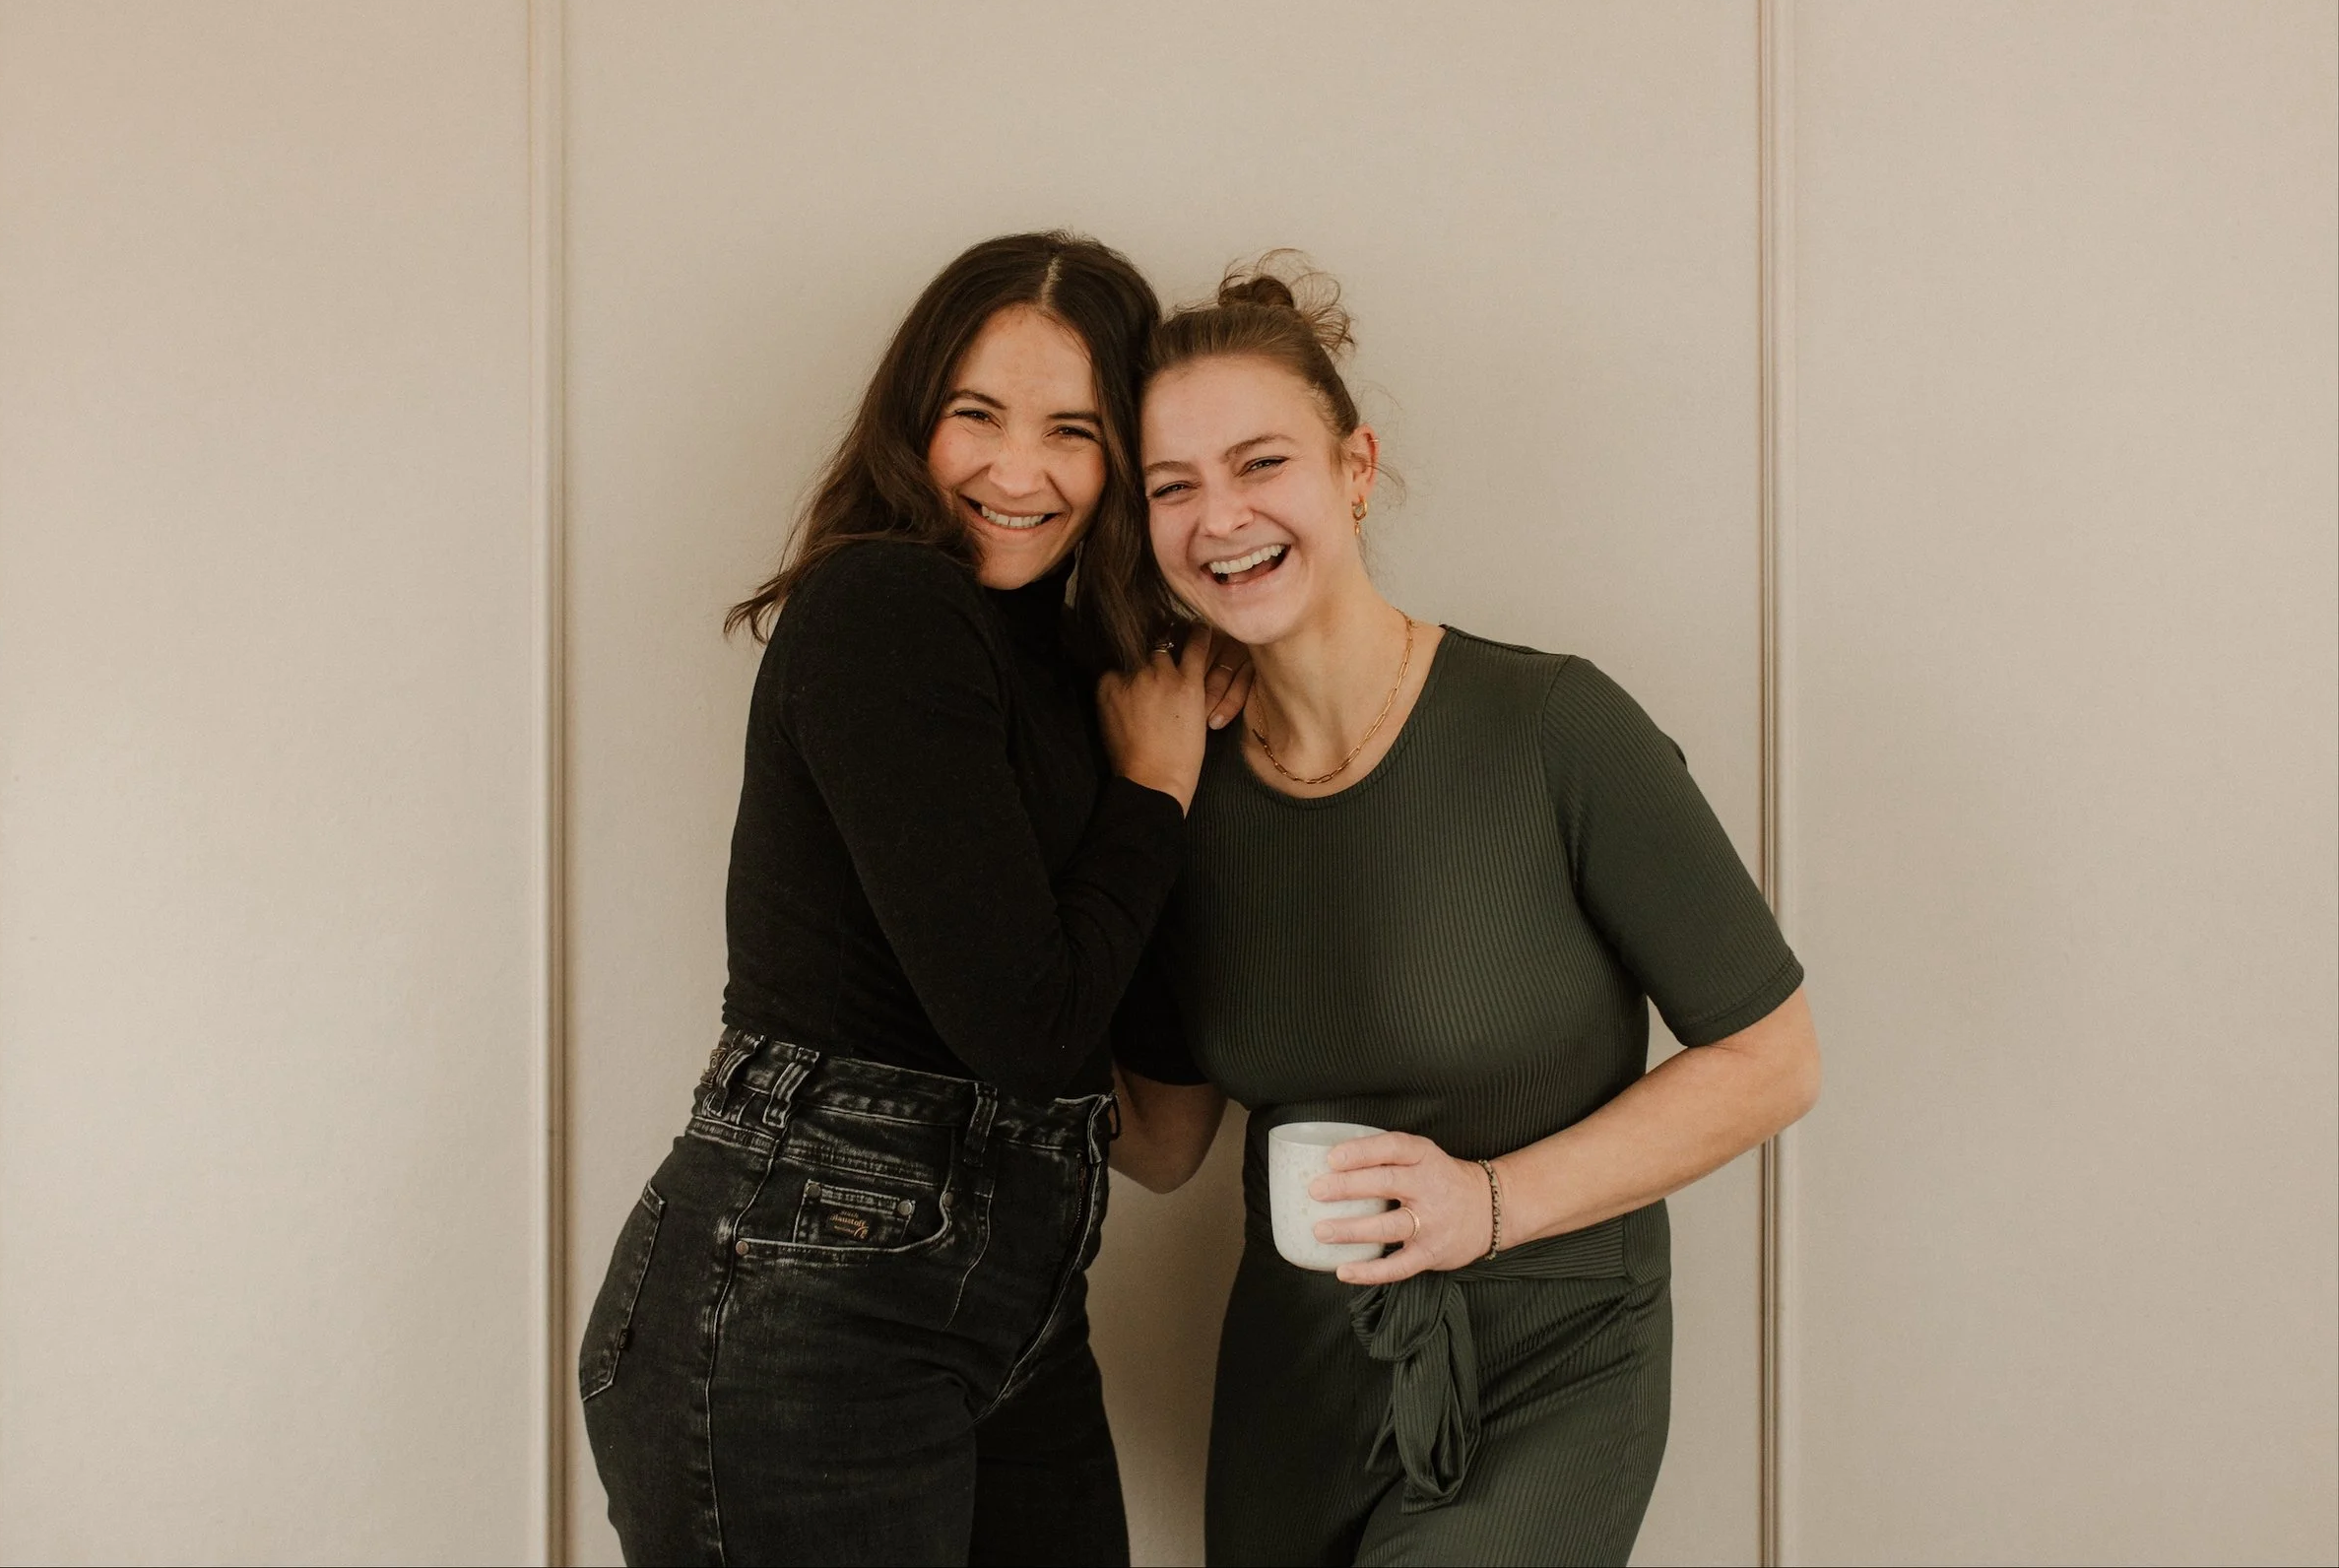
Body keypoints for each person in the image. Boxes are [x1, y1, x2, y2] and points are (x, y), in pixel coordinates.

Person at [1108, 257, 1823, 1566]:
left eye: (1261, 463)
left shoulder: (1553, 728)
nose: (1221, 517)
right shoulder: (1182, 792)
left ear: (1356, 468)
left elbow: (1772, 1059)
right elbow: (1161, 1143)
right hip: (1296, 1377)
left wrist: (1487, 1202)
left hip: (1552, 1354)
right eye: (1172, 486)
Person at [578, 231, 1246, 1566]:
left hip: (1015, 1306)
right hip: (804, 1291)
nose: (1017, 471)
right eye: (975, 415)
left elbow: (1162, 1142)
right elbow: (1031, 1027)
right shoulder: (885, 606)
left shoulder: (1082, 681)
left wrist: (1172, 779)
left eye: (1074, 431)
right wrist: (1156, 794)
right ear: (911, 417)